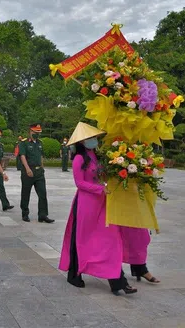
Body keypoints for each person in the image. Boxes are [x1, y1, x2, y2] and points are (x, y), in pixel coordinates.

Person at [58, 122, 137, 296]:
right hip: (86, 204)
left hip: (102, 202)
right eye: (90, 138)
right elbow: (80, 183)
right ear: (82, 141)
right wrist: (100, 189)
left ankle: (118, 281)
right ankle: (74, 274)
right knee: (80, 239)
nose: (94, 140)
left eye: (94, 137)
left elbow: (102, 176)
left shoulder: (96, 156)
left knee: (110, 240)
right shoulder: (79, 159)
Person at [18, 123, 54, 223]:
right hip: (28, 171)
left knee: (42, 193)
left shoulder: (40, 143)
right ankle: (25, 213)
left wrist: (42, 168)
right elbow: (22, 156)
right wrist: (27, 169)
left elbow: (40, 156)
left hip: (39, 172)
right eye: (35, 132)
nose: (37, 134)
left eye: (38, 132)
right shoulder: (24, 143)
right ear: (30, 131)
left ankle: (43, 215)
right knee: (26, 193)